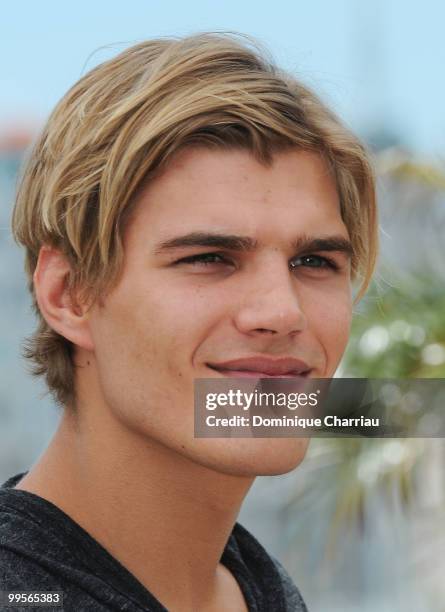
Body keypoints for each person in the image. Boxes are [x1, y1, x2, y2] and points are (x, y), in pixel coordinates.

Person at [0, 33, 377, 611]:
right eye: (209, 258)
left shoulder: (256, 586)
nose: (282, 311)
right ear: (69, 294)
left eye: (314, 262)